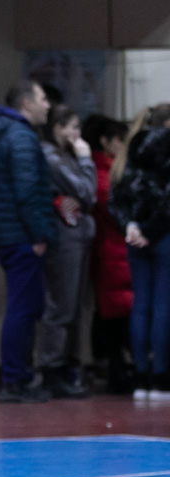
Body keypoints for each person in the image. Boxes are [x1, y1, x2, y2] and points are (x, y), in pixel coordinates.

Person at [0, 80, 56, 403]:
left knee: (25, 307)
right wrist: (39, 235)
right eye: (43, 99)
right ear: (27, 103)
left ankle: (19, 376)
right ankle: (15, 379)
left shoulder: (2, 133)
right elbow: (27, 192)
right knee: (23, 309)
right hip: (23, 236)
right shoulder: (21, 136)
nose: (48, 105)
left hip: (10, 233)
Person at [109, 103, 170, 401]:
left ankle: (141, 378)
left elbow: (116, 199)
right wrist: (151, 231)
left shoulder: (128, 152)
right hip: (163, 236)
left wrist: (131, 226)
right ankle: (160, 378)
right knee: (162, 306)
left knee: (141, 305)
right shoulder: (166, 151)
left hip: (134, 239)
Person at [38, 104, 97, 398]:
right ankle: (52, 369)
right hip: (65, 239)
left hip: (78, 236)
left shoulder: (65, 155)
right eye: (72, 127)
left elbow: (83, 196)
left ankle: (66, 365)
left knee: (73, 307)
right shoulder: (52, 157)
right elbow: (87, 192)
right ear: (57, 128)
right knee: (61, 306)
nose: (77, 134)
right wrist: (86, 159)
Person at [82, 115, 133, 393]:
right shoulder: (103, 173)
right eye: (120, 140)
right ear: (106, 142)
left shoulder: (111, 169)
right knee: (114, 311)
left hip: (115, 249)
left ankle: (117, 367)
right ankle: (115, 369)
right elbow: (112, 208)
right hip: (110, 249)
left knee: (115, 309)